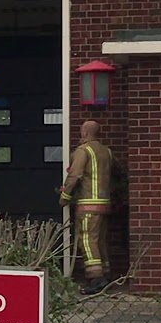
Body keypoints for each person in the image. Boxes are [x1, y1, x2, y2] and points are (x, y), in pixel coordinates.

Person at [58, 120, 114, 295]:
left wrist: (64, 197)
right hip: (105, 204)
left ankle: (96, 279)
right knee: (100, 241)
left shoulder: (83, 151)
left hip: (88, 205)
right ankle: (105, 274)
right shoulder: (108, 152)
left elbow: (74, 175)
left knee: (87, 240)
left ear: (84, 133)